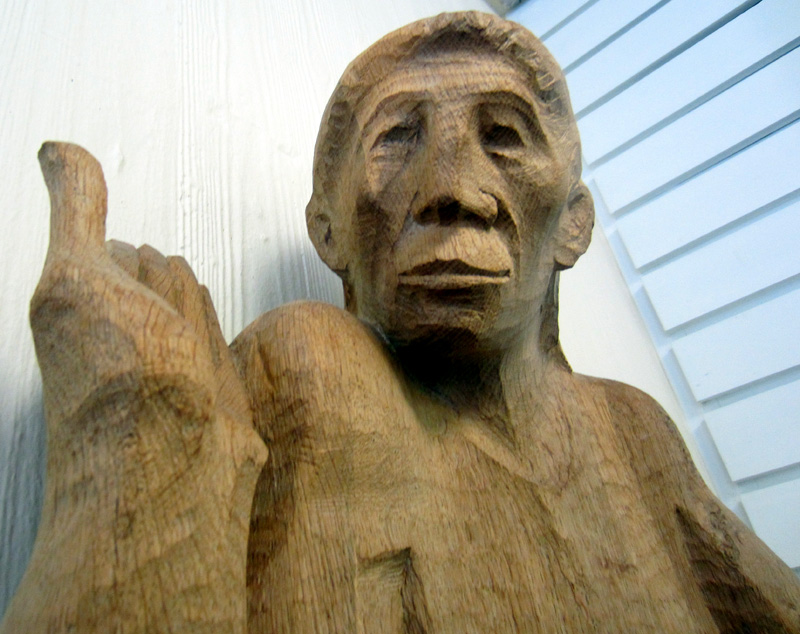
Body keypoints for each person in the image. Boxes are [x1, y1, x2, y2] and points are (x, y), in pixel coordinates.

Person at [3, 11, 799, 634]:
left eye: (503, 137)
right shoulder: (313, 368)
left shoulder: (634, 433)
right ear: (327, 232)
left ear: (573, 224)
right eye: (396, 138)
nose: (452, 189)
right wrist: (141, 448)